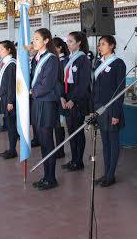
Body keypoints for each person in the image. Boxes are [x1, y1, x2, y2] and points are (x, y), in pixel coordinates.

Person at [92, 35, 126, 187]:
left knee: (113, 142)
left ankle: (111, 175)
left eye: (104, 44)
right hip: (100, 108)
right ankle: (106, 173)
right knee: (104, 143)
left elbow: (120, 90)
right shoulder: (98, 62)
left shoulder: (118, 63)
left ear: (112, 46)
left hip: (112, 108)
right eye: (99, 44)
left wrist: (116, 114)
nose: (100, 47)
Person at [30, 28, 61, 191]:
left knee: (48, 141)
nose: (33, 42)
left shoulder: (51, 59)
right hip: (38, 102)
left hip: (47, 103)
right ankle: (46, 175)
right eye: (33, 39)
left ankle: (51, 178)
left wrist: (32, 91)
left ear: (46, 41)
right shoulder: (37, 58)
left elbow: (47, 83)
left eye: (36, 39)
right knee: (42, 141)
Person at [61, 31, 91, 172]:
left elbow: (84, 83)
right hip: (67, 98)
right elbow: (62, 80)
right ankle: (73, 159)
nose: (68, 44)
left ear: (79, 43)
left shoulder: (83, 59)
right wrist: (62, 97)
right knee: (70, 130)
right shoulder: (67, 59)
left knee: (77, 131)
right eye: (67, 41)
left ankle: (79, 161)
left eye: (71, 41)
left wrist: (73, 99)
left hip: (77, 100)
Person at [0, 40, 18, 159]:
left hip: (9, 100)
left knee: (11, 125)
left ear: (9, 50)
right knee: (9, 124)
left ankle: (12, 149)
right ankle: (11, 148)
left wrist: (10, 101)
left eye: (1, 49)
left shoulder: (11, 64)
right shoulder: (5, 63)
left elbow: (12, 84)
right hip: (5, 98)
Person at [53, 37, 69, 159]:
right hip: (54, 97)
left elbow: (62, 81)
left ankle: (60, 149)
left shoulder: (64, 61)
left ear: (59, 48)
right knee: (56, 125)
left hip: (61, 96)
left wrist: (61, 96)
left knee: (60, 125)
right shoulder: (55, 60)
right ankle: (58, 148)